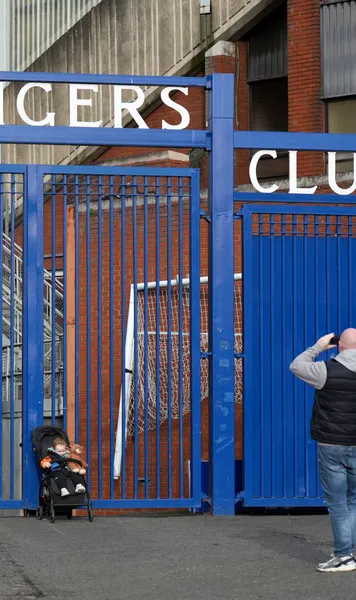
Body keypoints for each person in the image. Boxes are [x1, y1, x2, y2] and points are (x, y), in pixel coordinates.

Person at [290, 329, 356, 572]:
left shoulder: (325, 370)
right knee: (353, 501)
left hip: (331, 446)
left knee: (338, 503)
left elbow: (296, 366)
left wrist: (318, 346)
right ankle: (349, 553)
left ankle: (344, 556)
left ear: (339, 346)